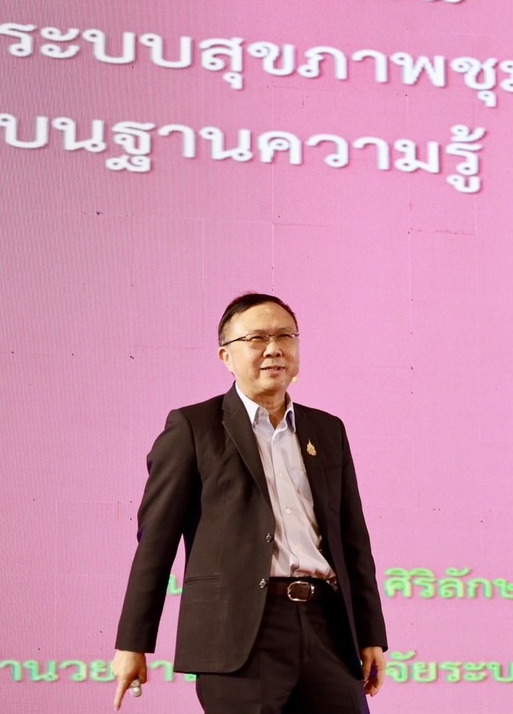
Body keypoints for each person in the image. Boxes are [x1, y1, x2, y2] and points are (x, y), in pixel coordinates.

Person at [110, 293, 388, 713]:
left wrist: (369, 635)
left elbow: (353, 541)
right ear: (226, 356)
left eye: (285, 336)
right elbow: (155, 543)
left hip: (327, 628)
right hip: (241, 634)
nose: (274, 349)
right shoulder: (194, 427)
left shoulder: (328, 430)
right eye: (257, 338)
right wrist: (133, 644)